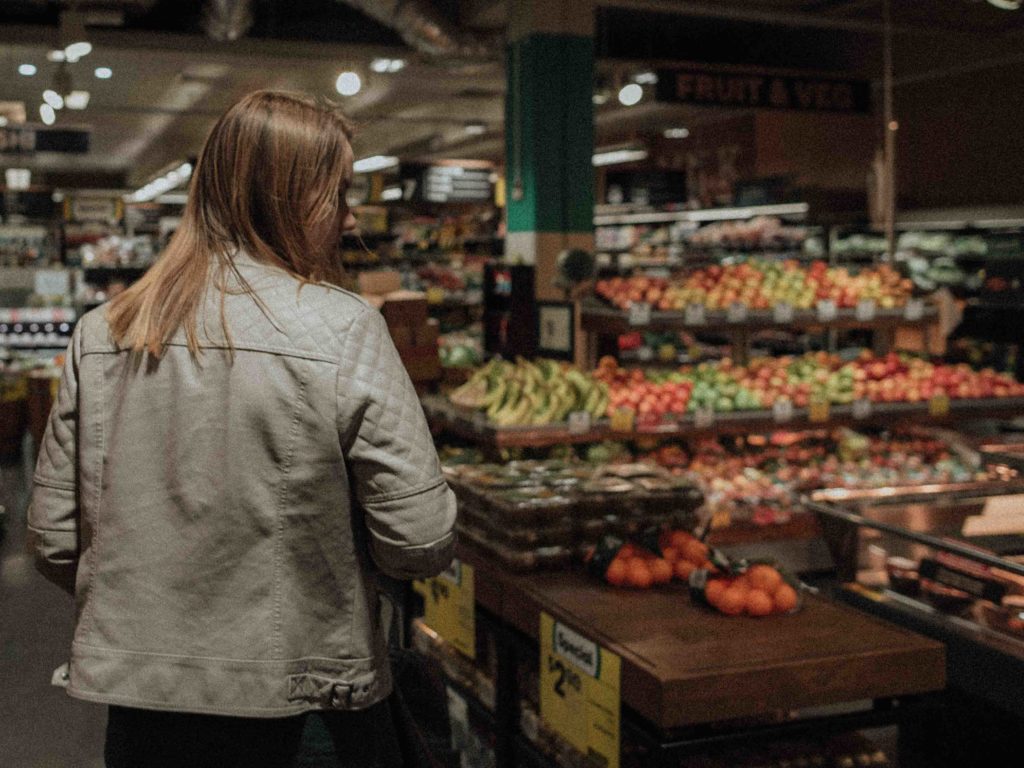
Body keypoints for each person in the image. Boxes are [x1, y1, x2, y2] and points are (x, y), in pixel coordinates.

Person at [27, 90, 457, 767]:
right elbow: (420, 538)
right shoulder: (342, 328)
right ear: (283, 197)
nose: (350, 218)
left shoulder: (102, 333)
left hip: (144, 705)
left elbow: (54, 539)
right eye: (337, 193)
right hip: (302, 705)